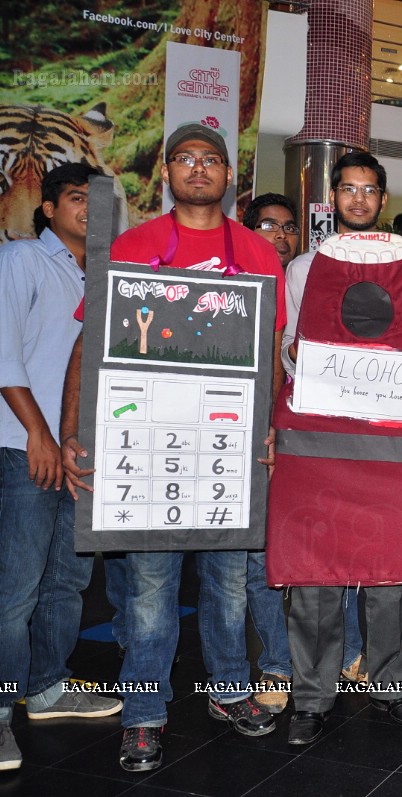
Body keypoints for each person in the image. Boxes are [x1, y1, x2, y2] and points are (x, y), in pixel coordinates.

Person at [61, 122, 288, 772]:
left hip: (229, 448)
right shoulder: (134, 244)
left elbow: (269, 355)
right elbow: (90, 346)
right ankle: (143, 715)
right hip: (152, 447)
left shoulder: (255, 252)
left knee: (228, 589)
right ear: (167, 173)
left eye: (209, 159)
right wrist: (76, 431)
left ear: (228, 174)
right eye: (184, 159)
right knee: (151, 594)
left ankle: (229, 692)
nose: (197, 168)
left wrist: (267, 426)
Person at [279, 152, 402, 744]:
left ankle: (392, 686)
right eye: (349, 189)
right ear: (333, 196)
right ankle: (312, 698)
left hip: (387, 435)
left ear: (383, 198)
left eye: (370, 190)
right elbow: (293, 350)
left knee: (390, 563)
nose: (360, 200)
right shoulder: (302, 267)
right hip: (320, 434)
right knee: (315, 570)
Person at [0, 163, 122, 772]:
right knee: (15, 589)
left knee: (67, 583)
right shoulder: (21, 260)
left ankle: (47, 686)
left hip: (80, 454)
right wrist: (39, 435)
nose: (91, 211)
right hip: (23, 448)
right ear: (49, 209)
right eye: (78, 199)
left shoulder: (103, 276)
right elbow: (2, 354)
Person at [241, 191, 301, 714]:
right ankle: (260, 669)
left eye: (288, 227)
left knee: (290, 558)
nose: (280, 237)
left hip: (291, 435)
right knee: (244, 565)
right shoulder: (233, 278)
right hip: (234, 435)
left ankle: (295, 665)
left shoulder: (303, 277)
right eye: (268, 226)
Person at [245, 193, 300, 269]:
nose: (282, 235)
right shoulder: (233, 279)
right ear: (248, 233)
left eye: (289, 228)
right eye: (270, 226)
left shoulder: (306, 279)